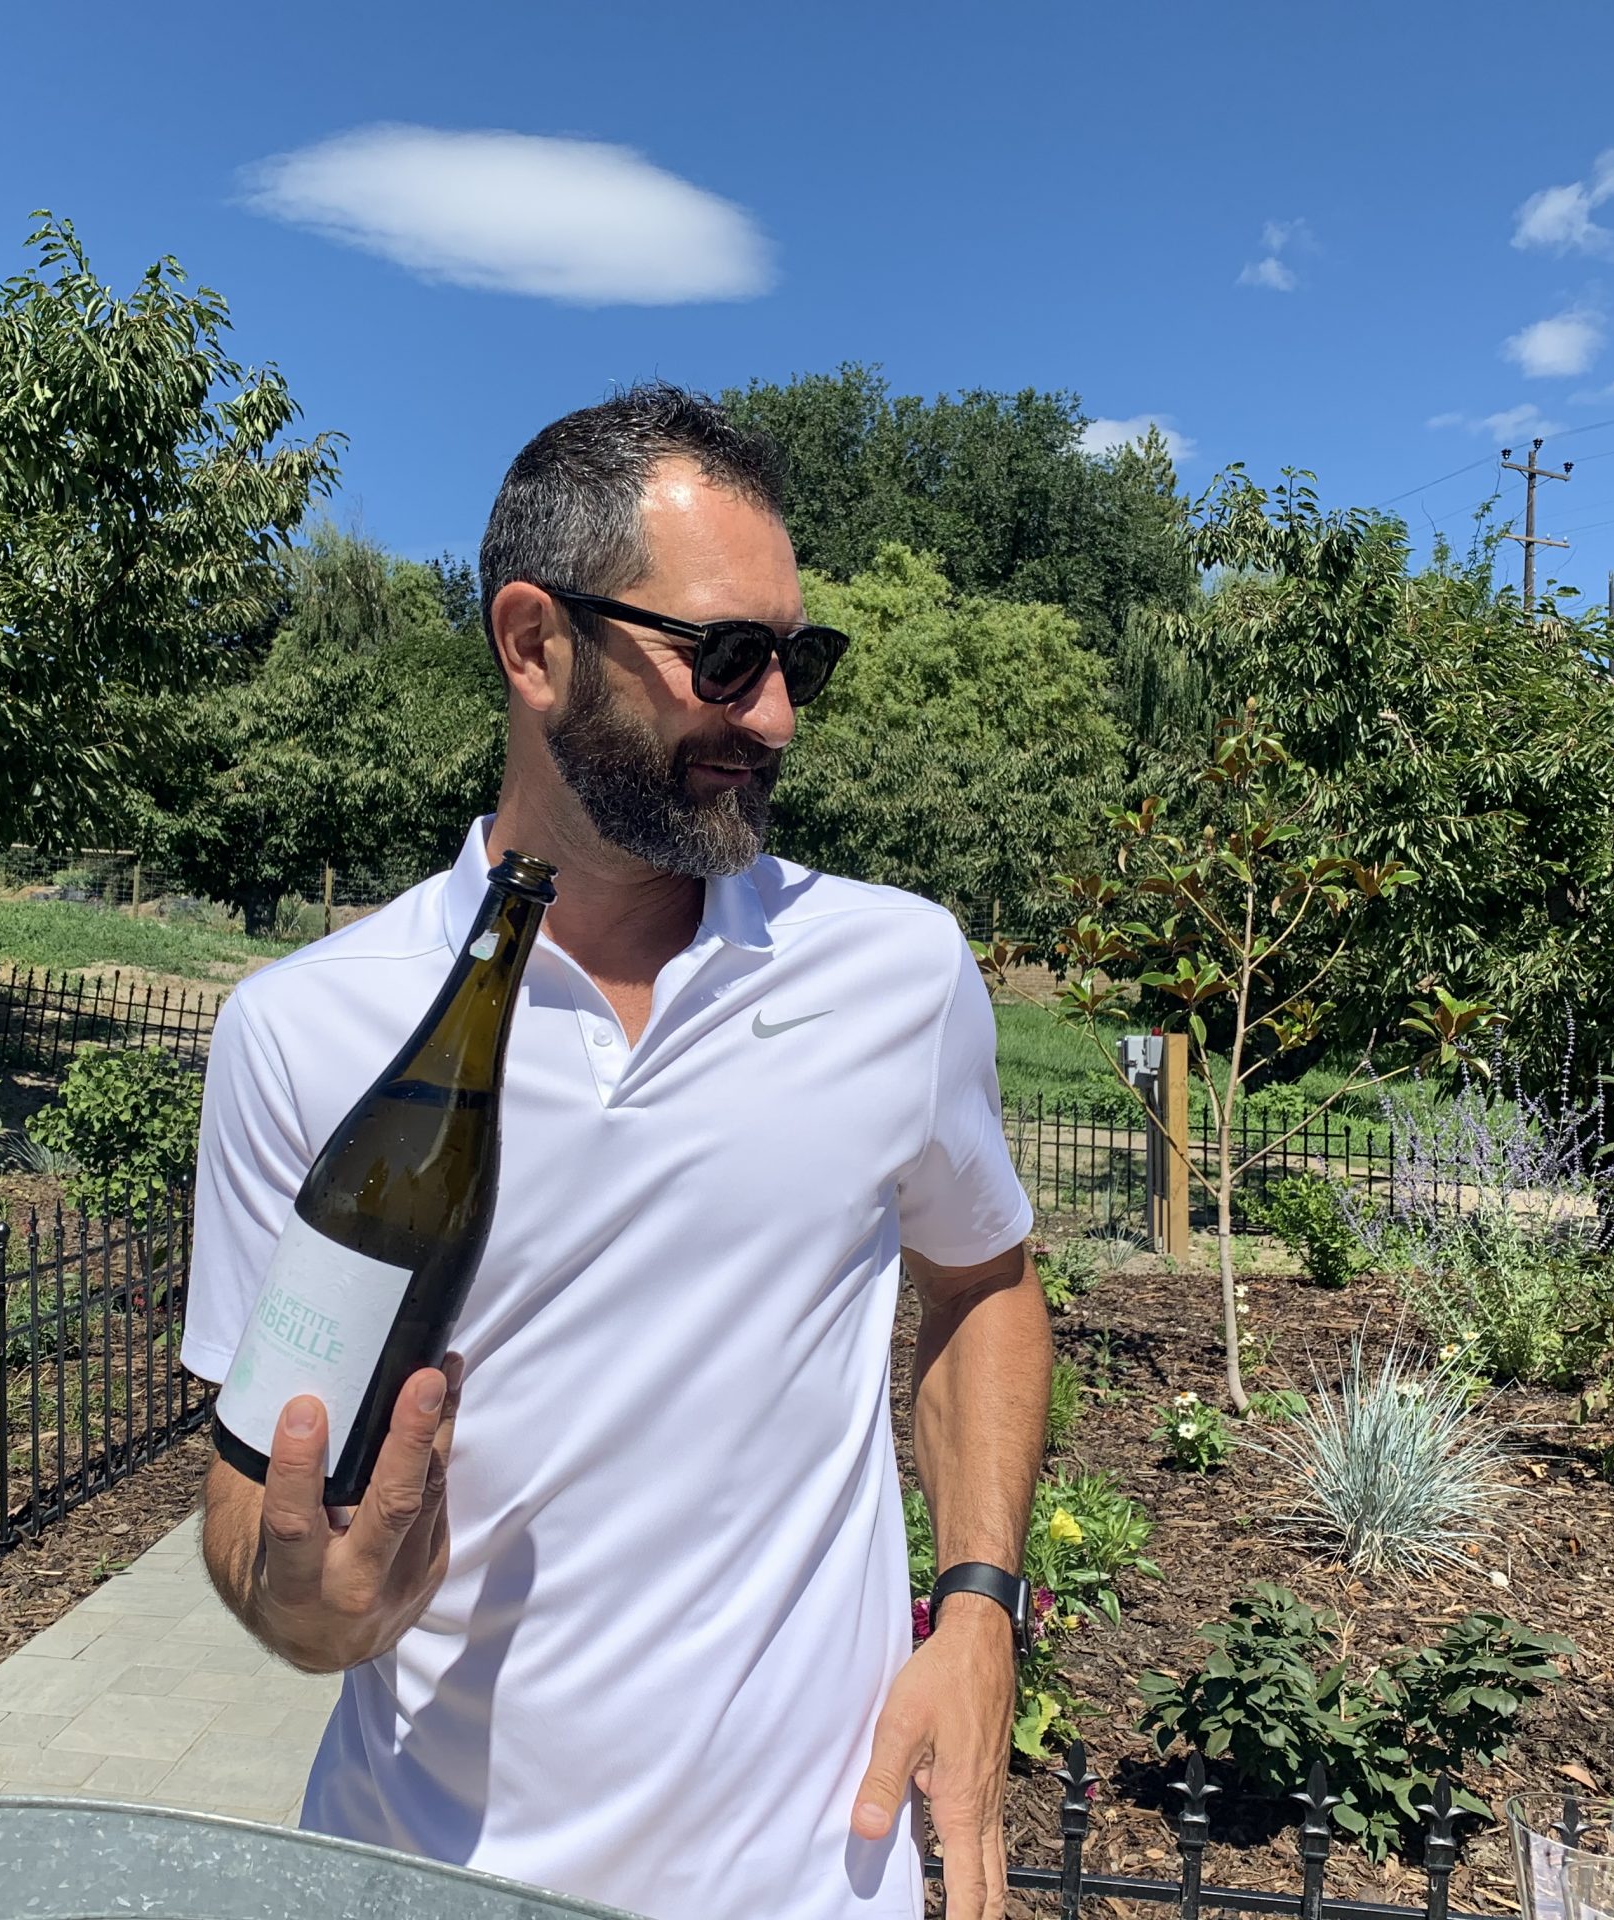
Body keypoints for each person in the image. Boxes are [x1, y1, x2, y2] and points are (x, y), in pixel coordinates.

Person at [183, 383, 1050, 1920]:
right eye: (725, 659)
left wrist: (978, 1610)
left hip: (811, 1882)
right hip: (423, 1879)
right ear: (534, 644)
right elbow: (256, 1495)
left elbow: (983, 1280)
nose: (775, 716)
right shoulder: (308, 1031)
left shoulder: (895, 973)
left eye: (797, 662)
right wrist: (313, 1612)